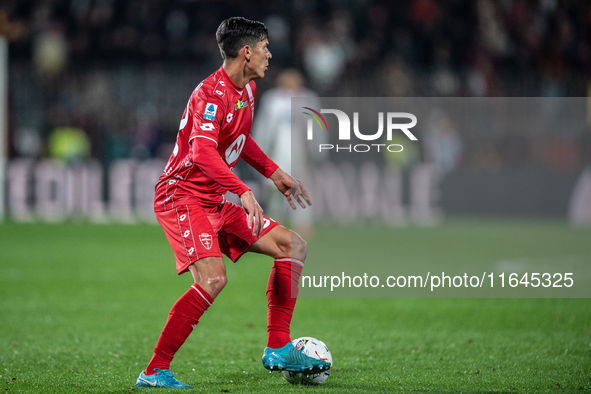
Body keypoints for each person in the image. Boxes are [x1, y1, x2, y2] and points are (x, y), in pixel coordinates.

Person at [135, 17, 331, 389]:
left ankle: (277, 347)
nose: (269, 55)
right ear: (246, 53)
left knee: (293, 246)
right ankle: (154, 372)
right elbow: (202, 152)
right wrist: (242, 190)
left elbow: (241, 140)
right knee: (213, 279)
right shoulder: (210, 94)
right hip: (182, 197)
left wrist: (274, 172)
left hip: (212, 199)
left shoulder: (246, 91)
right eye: (264, 48)